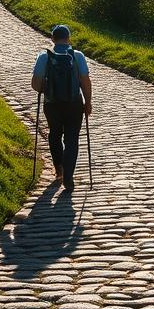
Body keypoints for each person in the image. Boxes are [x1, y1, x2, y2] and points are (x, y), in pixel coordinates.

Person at [31, 25, 92, 191]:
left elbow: (35, 83)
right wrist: (88, 102)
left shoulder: (44, 56)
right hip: (74, 103)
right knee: (72, 139)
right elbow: (85, 81)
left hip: (52, 104)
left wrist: (47, 89)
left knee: (55, 134)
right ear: (69, 39)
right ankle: (69, 176)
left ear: (52, 39)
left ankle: (59, 169)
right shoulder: (77, 56)